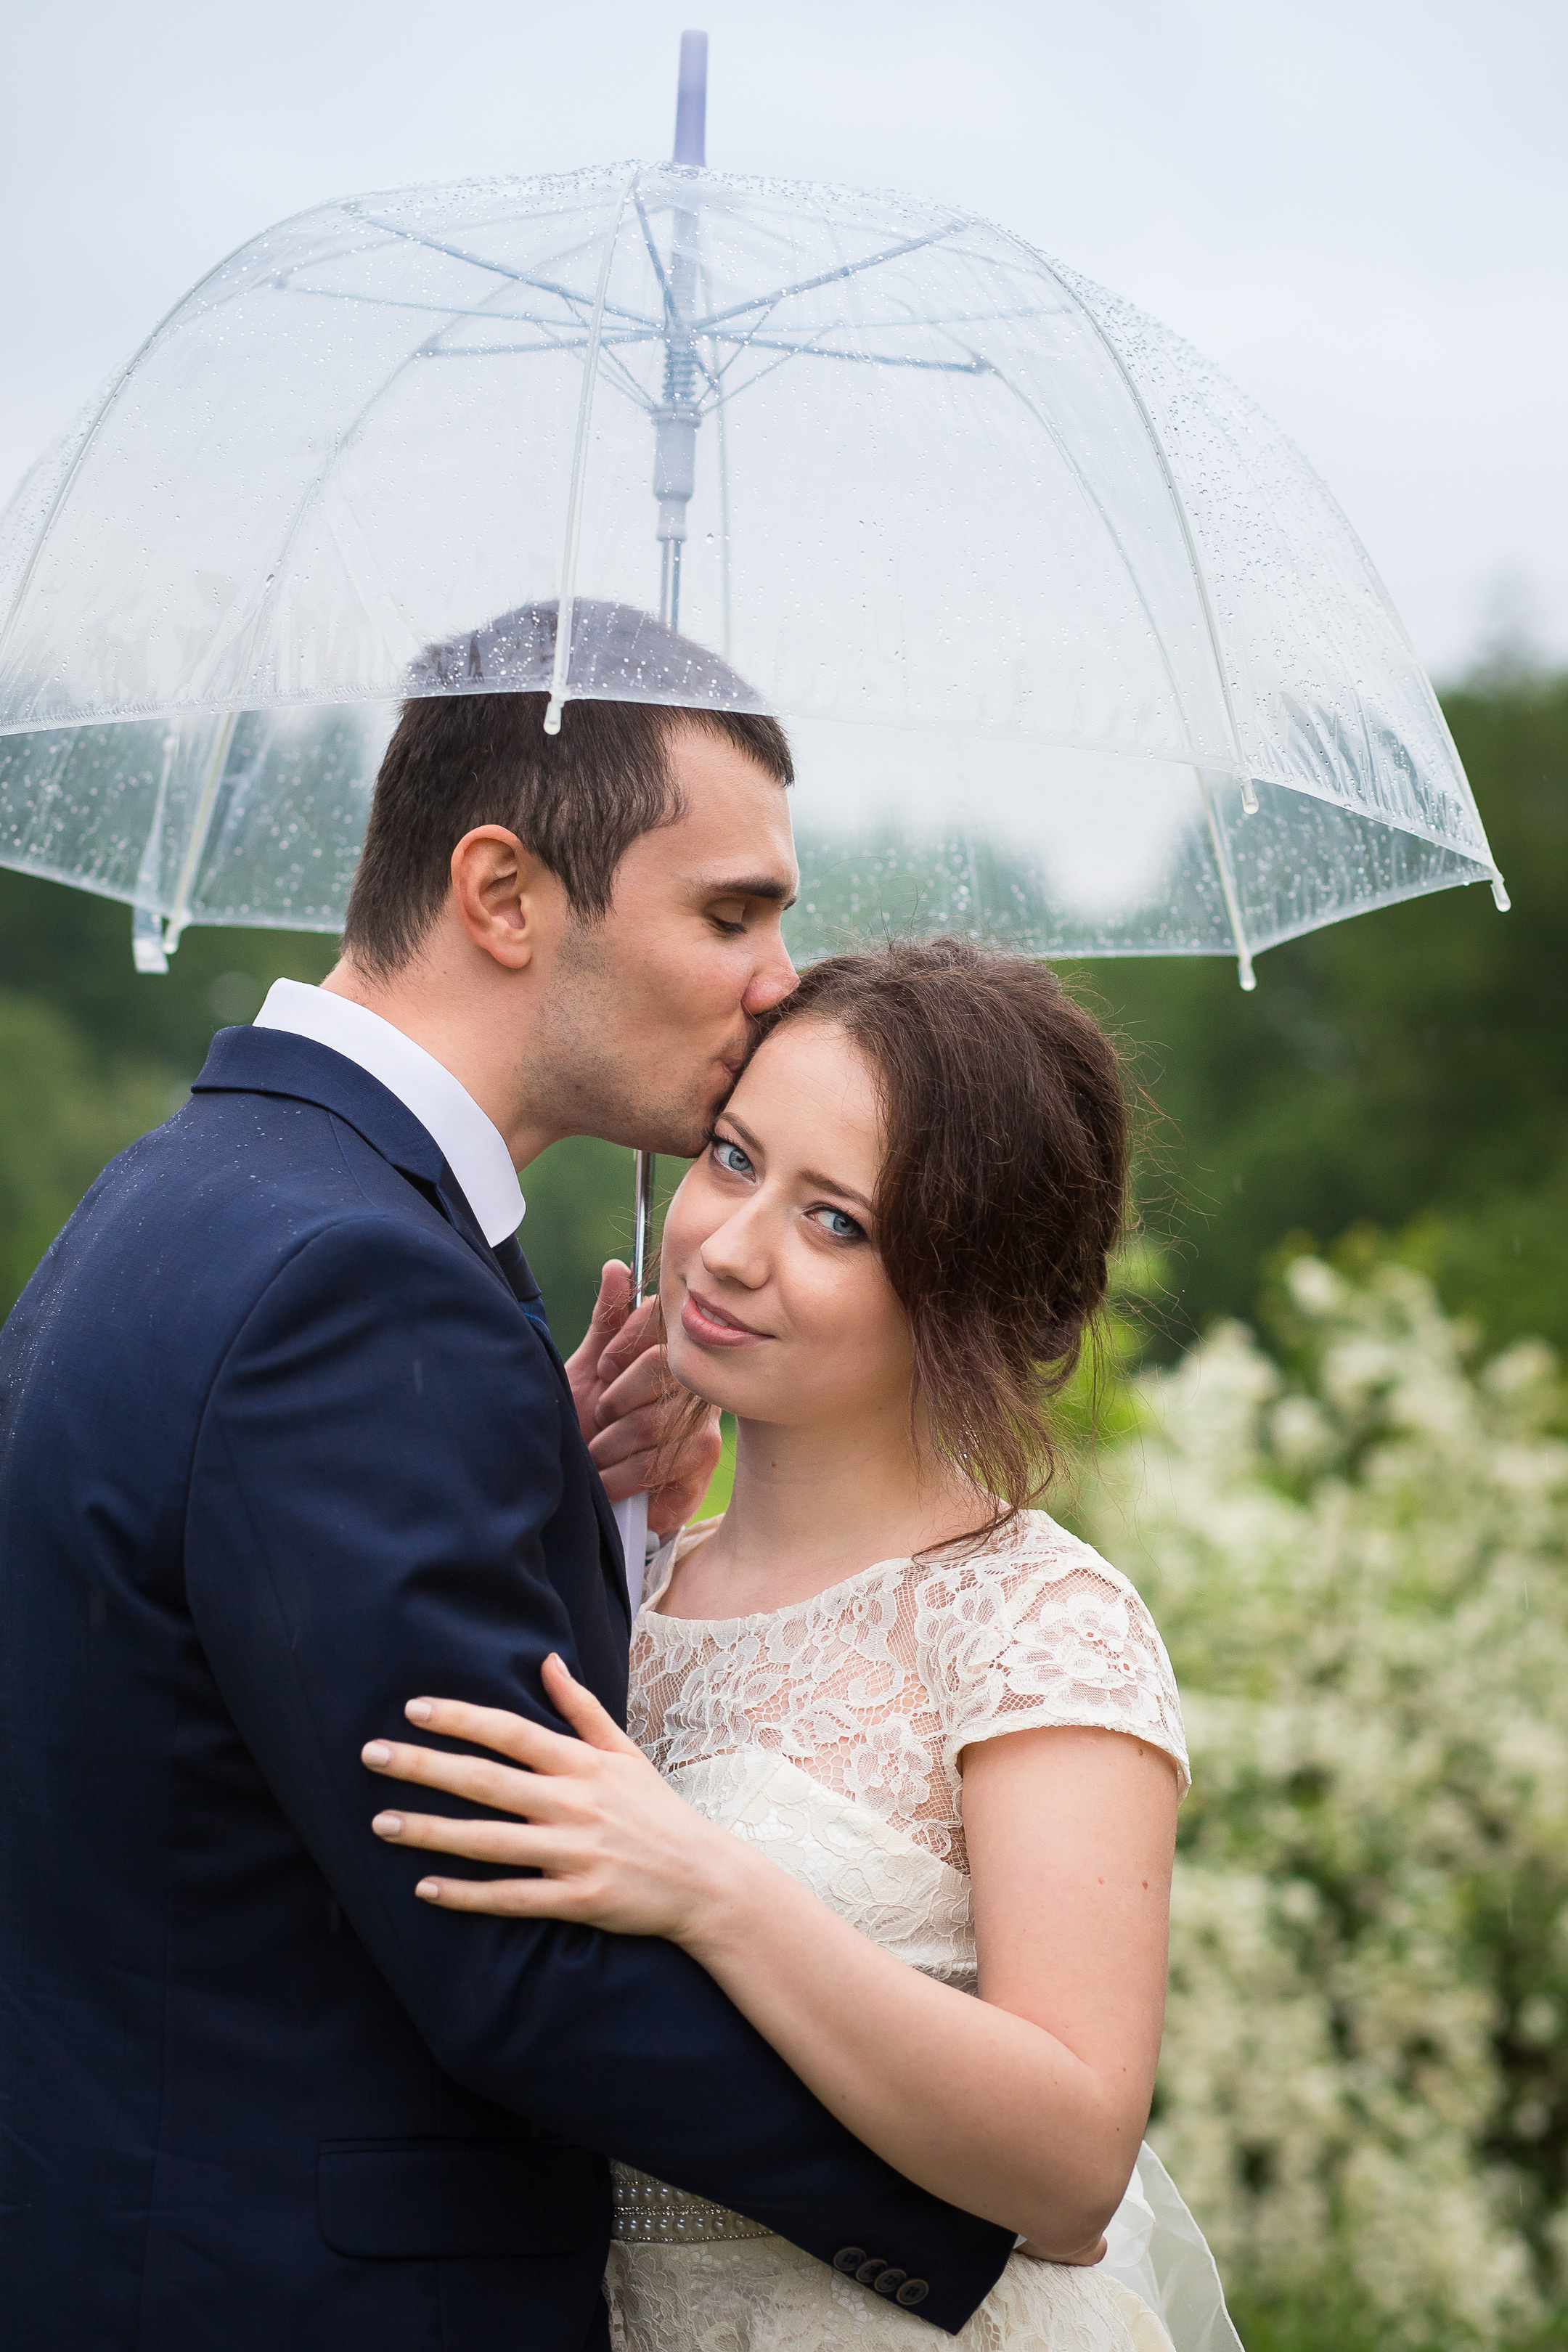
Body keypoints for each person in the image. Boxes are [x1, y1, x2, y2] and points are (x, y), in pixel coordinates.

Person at [0, 610, 1017, 2352]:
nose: (780, 976)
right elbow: (507, 1948)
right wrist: (981, 2209)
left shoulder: (173, 1199)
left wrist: (577, 1507)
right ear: (503, 894)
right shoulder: (355, 1285)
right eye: (730, 911)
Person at [360, 940, 1244, 2352]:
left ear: (969, 1282)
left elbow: (1075, 2172)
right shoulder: (628, 1579)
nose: (732, 1243)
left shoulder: (1033, 1625)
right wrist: (572, 1518)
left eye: (837, 1221)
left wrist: (711, 1888)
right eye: (730, 1156)